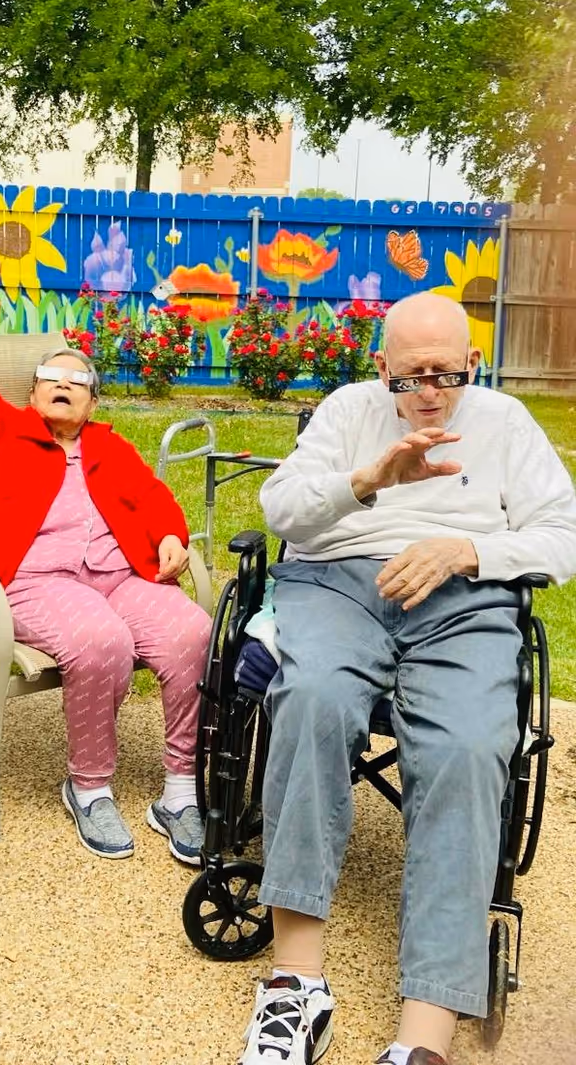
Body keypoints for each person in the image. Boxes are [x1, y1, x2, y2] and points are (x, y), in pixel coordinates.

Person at [236, 292, 576, 1065]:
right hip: (339, 583)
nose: (428, 391)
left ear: (472, 363)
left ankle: (423, 1036)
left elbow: (563, 533)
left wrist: (469, 550)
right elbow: (282, 508)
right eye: (409, 376)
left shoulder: (505, 422)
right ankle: (295, 984)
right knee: (313, 698)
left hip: (465, 593)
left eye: (446, 373)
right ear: (380, 365)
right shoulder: (347, 411)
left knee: (468, 744)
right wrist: (366, 481)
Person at [0, 254, 213, 861]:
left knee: (193, 630)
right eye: (50, 377)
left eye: (77, 381)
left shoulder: (110, 446)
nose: (62, 384)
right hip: (31, 581)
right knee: (100, 638)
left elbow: (154, 498)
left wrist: (170, 533)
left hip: (118, 576)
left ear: (92, 403)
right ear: (32, 392)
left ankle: (180, 791)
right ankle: (89, 787)